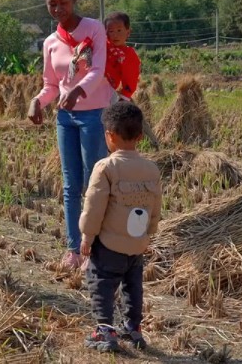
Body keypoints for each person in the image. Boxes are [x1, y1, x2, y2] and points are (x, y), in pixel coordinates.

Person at [28, 0, 109, 271]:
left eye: (63, 2)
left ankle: (94, 248)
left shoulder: (94, 28)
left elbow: (98, 70)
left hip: (94, 113)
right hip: (65, 118)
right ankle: (74, 249)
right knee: (70, 185)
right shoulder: (51, 42)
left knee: (94, 183)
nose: (58, 8)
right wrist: (38, 101)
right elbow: (51, 84)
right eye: (52, 4)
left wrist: (78, 90)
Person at [79, 101, 162, 353]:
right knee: (133, 285)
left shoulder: (106, 167)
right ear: (139, 136)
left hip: (109, 244)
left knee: (100, 281)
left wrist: (87, 236)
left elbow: (94, 207)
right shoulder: (151, 169)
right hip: (137, 243)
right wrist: (149, 232)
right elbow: (155, 206)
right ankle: (133, 328)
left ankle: (104, 330)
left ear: (109, 135)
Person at [103, 11, 159, 147]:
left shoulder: (129, 55)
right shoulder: (102, 46)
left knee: (108, 124)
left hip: (110, 92)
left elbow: (131, 77)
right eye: (110, 31)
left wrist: (124, 96)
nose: (115, 35)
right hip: (93, 88)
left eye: (119, 30)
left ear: (128, 32)